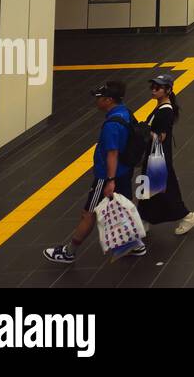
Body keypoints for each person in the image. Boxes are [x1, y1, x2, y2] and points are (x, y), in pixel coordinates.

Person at [43, 81, 147, 264]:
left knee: (88, 214)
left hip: (107, 176)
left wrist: (110, 180)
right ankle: (135, 244)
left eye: (99, 98)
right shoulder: (126, 112)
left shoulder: (111, 125)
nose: (96, 102)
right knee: (123, 206)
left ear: (108, 100)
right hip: (125, 170)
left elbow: (112, 153)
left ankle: (69, 251)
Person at [136, 73, 194, 236]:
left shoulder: (165, 111)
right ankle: (143, 220)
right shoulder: (161, 106)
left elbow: (161, 137)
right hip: (156, 156)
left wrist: (146, 131)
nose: (153, 90)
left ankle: (187, 216)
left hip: (158, 158)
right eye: (152, 87)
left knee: (165, 192)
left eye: (157, 88)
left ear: (168, 90)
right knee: (148, 190)